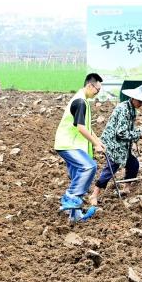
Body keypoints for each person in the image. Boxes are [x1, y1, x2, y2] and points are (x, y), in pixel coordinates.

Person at [89, 85, 142, 205]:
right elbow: (121, 133)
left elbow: (128, 128)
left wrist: (140, 131)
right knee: (111, 168)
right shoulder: (124, 109)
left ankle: (126, 188)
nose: (141, 104)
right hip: (113, 144)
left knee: (133, 164)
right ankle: (94, 195)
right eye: (140, 101)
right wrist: (138, 136)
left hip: (122, 145)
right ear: (133, 98)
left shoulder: (131, 109)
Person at [54, 73, 105, 223]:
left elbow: (88, 127)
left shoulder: (82, 100)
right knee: (89, 167)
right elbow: (81, 128)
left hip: (72, 145)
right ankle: (70, 197)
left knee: (78, 178)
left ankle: (75, 216)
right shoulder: (80, 102)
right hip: (68, 144)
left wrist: (98, 141)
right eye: (97, 90)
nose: (97, 93)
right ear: (90, 85)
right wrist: (95, 145)